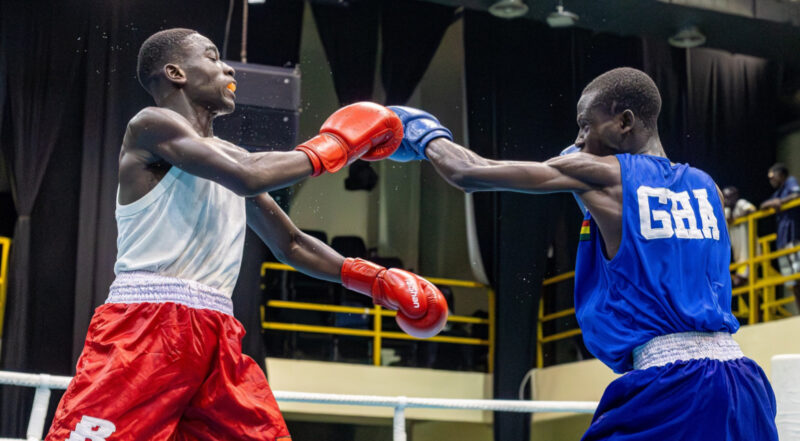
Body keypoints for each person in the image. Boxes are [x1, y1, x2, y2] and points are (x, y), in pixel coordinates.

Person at [45, 28, 448, 441]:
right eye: (213, 57)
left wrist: (375, 281)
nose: (229, 68)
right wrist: (335, 145)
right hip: (147, 326)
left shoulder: (233, 158)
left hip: (217, 331)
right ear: (175, 73)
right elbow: (247, 175)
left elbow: (291, 244)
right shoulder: (151, 125)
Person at [386, 68, 777, 440]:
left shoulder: (603, 174)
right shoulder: (707, 186)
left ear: (625, 122)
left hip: (674, 387)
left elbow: (468, 172)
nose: (578, 139)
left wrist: (423, 132)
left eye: (586, 125)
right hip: (742, 385)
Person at [760, 163, 800, 311]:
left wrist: (781, 202)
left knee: (798, 277)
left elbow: (797, 194)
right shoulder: (779, 192)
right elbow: (763, 205)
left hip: (794, 237)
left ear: (781, 174)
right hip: (783, 241)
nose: (771, 179)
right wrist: (775, 201)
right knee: (792, 282)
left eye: (772, 176)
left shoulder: (790, 182)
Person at [722, 186, 756, 287]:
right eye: (725, 197)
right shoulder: (727, 211)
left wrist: (738, 217)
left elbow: (752, 210)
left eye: (729, 197)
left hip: (749, 254)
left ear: (735, 196)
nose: (726, 200)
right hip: (738, 257)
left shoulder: (741, 204)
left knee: (737, 282)